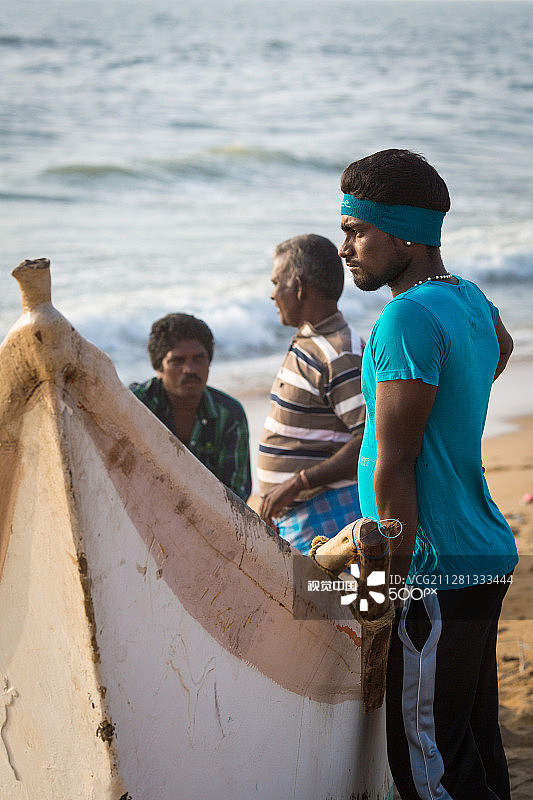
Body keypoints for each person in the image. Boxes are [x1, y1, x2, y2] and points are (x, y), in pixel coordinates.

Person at [337, 149, 518, 800]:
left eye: (356, 231)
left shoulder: (405, 317)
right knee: (468, 743)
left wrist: (386, 582)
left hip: (430, 570)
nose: (344, 247)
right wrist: (456, 405)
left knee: (426, 766)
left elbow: (396, 462)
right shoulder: (465, 298)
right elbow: (498, 348)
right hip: (483, 551)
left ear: (403, 234)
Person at [257, 233, 366, 554]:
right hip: (302, 516)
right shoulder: (312, 341)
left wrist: (297, 483)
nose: (273, 294)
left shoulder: (338, 353)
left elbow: (369, 441)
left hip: (325, 518)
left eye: (277, 283)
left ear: (300, 287)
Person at [130, 313, 251, 501]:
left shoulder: (229, 414)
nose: (190, 369)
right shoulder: (135, 404)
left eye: (198, 358)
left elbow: (236, 495)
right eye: (177, 361)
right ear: (159, 367)